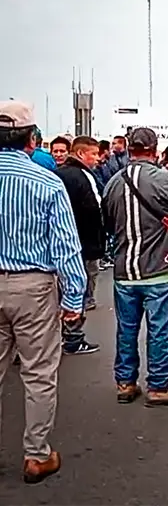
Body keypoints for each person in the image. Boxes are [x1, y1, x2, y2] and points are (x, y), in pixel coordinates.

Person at [0, 100, 88, 484]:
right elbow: (66, 247)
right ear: (31, 139)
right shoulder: (46, 182)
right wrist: (73, 298)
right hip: (32, 287)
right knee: (38, 373)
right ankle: (36, 455)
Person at [102, 127, 168, 406]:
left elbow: (108, 224)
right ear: (154, 150)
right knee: (159, 329)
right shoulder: (165, 178)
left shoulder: (113, 183)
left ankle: (125, 383)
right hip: (159, 266)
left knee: (126, 329)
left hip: (125, 269)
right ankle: (158, 386)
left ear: (129, 149)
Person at [54, 136, 105, 355]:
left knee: (58, 290)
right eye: (94, 154)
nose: (97, 158)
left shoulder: (57, 175)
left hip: (60, 243)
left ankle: (56, 337)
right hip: (84, 242)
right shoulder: (84, 176)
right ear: (81, 153)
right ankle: (73, 338)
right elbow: (95, 209)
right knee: (79, 288)